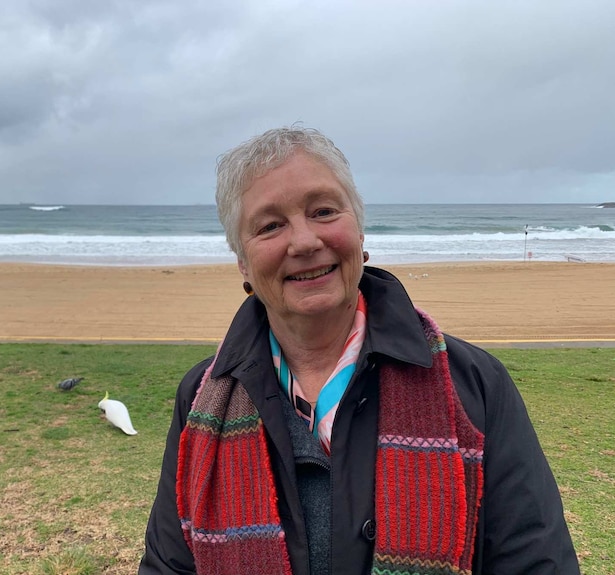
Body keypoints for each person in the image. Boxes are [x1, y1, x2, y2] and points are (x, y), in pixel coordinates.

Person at [139, 127, 579, 574]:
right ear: (242, 262)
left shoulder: (475, 384)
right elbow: (168, 566)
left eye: (324, 211)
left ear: (360, 229)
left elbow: (535, 561)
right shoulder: (200, 396)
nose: (305, 241)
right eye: (270, 225)